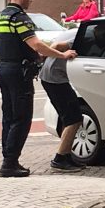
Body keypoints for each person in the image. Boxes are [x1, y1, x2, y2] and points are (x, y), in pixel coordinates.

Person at [0, 0, 77, 178]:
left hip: (4, 69)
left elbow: (13, 45)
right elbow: (36, 44)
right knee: (21, 118)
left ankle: (8, 158)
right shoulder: (20, 18)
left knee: (8, 116)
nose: (31, 0)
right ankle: (10, 164)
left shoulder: (2, 16)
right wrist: (62, 55)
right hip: (19, 73)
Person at [39, 29, 86, 172]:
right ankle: (59, 159)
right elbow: (58, 46)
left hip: (51, 77)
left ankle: (65, 155)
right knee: (74, 119)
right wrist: (44, 55)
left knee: (70, 118)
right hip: (55, 79)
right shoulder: (84, 36)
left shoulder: (75, 31)